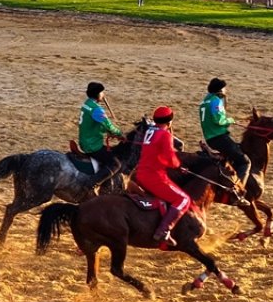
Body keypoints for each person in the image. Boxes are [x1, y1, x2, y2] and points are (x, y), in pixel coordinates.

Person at [133, 106, 190, 246]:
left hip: (141, 173)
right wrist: (178, 166)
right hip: (154, 177)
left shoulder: (149, 131)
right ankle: (163, 231)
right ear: (169, 122)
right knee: (183, 199)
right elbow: (170, 158)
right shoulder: (165, 135)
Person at [199, 78, 251, 184]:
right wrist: (230, 120)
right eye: (224, 89)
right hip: (219, 137)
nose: (225, 91)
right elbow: (218, 120)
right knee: (245, 162)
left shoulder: (204, 101)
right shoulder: (215, 101)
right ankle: (238, 191)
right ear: (220, 90)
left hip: (210, 138)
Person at [78, 82, 123, 175]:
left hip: (83, 141)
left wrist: (104, 130)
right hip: (92, 145)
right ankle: (93, 183)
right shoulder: (97, 110)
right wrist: (120, 134)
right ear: (98, 94)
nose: (103, 94)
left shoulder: (86, 104)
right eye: (102, 92)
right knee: (115, 164)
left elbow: (95, 124)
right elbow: (109, 126)